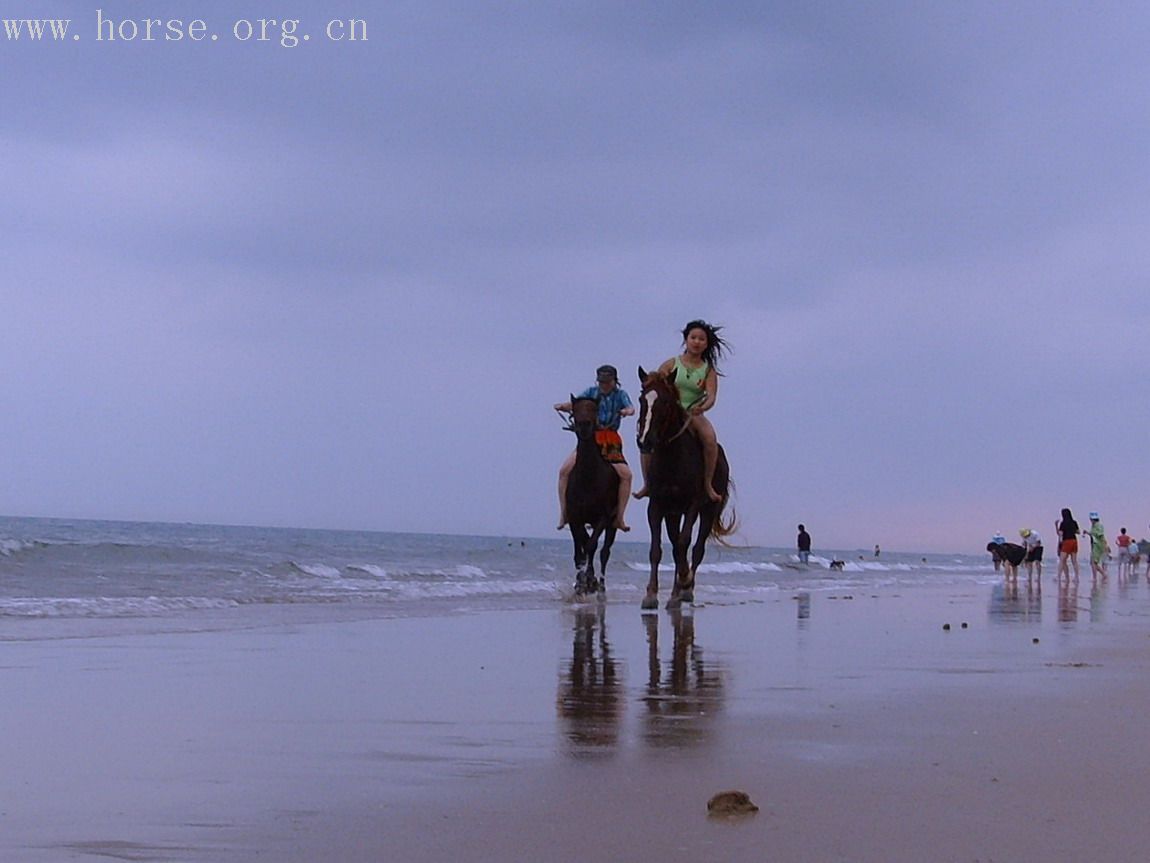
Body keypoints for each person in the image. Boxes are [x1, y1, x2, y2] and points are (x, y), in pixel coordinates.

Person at [633, 319, 730, 503]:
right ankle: (648, 483)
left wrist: (703, 407)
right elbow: (657, 386)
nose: (697, 342)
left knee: (710, 439)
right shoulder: (671, 364)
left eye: (701, 339)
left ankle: (708, 484)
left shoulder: (708, 371)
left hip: (693, 413)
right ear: (686, 340)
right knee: (645, 438)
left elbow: (711, 396)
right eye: (693, 337)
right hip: (670, 412)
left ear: (706, 344)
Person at [555, 365, 634, 532]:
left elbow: (631, 408)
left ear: (614, 381)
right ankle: (564, 513)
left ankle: (619, 516)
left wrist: (627, 411)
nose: (604, 385)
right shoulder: (591, 392)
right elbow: (577, 404)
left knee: (626, 475)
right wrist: (564, 406)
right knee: (564, 471)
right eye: (601, 382)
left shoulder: (620, 395)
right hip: (590, 439)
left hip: (610, 438)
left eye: (607, 382)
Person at [1055, 508, 1080, 581]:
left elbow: (1060, 534)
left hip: (1067, 541)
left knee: (1062, 560)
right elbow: (1078, 532)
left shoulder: (1063, 523)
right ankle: (1076, 577)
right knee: (1074, 560)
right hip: (1074, 541)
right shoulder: (1074, 522)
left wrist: (1056, 526)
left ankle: (1059, 577)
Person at [1086, 511, 1108, 580]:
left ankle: (1098, 576)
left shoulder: (1098, 525)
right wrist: (1087, 533)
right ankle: (1102, 575)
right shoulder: (1094, 526)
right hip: (1095, 545)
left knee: (1093, 562)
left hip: (1098, 545)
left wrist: (1104, 546)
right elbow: (1094, 534)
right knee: (1093, 562)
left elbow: (1099, 534)